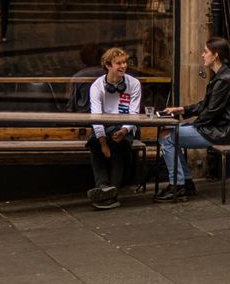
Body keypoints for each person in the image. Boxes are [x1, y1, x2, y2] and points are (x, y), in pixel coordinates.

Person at [155, 36, 230, 201]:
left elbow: (211, 111)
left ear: (215, 55)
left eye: (205, 52)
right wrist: (180, 109)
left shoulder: (224, 79)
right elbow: (206, 105)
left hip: (219, 132)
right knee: (168, 133)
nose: (203, 55)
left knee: (167, 136)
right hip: (214, 128)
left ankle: (180, 185)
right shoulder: (221, 76)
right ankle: (185, 183)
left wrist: (192, 125)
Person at [86, 47, 142, 210]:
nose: (123, 66)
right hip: (104, 126)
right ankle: (104, 187)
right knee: (95, 144)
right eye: (119, 63)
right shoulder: (97, 86)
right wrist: (103, 143)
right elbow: (96, 117)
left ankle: (110, 191)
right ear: (108, 65)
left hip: (126, 126)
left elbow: (134, 113)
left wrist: (124, 130)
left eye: (124, 62)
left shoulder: (133, 83)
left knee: (119, 146)